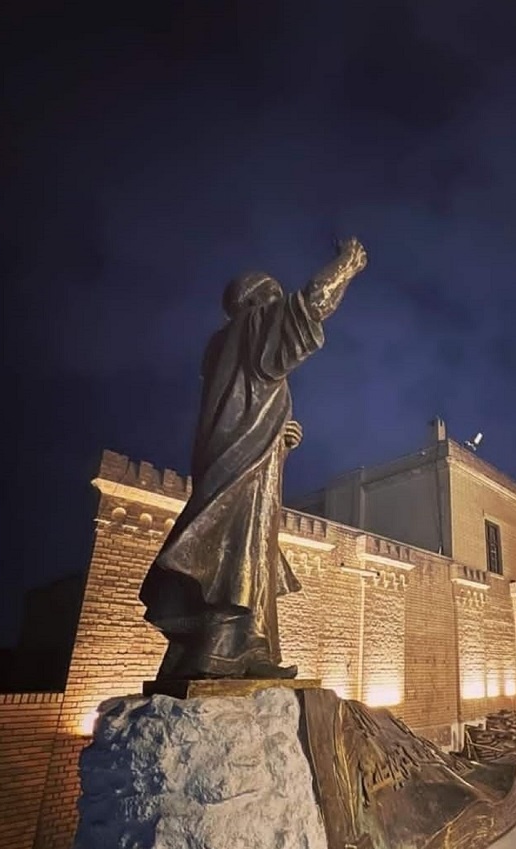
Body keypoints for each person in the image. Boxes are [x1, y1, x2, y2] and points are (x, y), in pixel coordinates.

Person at [140, 239, 368, 681]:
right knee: (237, 547)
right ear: (252, 302)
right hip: (242, 468)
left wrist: (281, 437)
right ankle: (220, 652)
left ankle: (246, 649)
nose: (277, 305)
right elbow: (311, 307)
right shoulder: (249, 328)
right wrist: (347, 265)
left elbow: (247, 407)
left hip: (241, 460)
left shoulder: (224, 350)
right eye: (272, 296)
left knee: (249, 549)